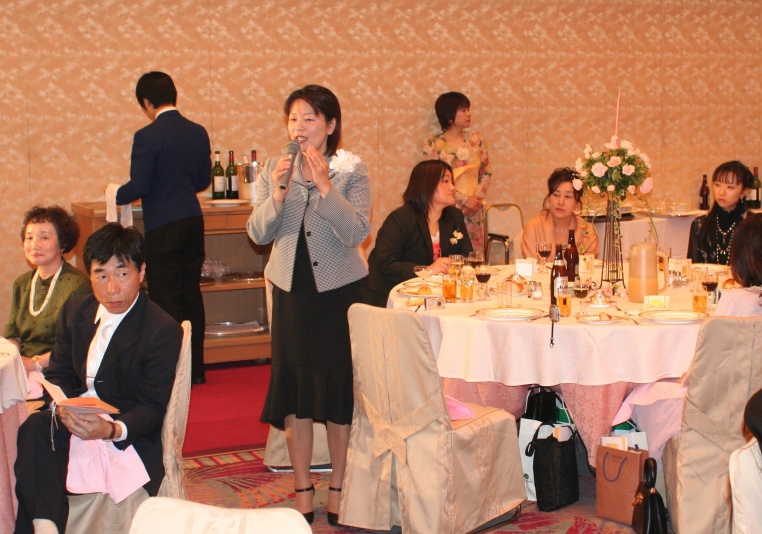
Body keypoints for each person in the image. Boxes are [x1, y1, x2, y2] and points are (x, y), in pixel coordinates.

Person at [246, 85, 370, 525]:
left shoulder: (351, 169)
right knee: (294, 392)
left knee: (337, 391)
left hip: (338, 294)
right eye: (293, 119)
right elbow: (257, 233)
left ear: (330, 125)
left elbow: (357, 232)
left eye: (309, 119)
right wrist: (278, 195)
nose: (299, 127)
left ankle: (338, 486)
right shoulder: (274, 169)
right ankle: (301, 487)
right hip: (291, 292)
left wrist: (324, 187)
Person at [14, 223, 183, 534]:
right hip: (75, 417)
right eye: (101, 275)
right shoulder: (75, 310)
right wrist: (63, 407)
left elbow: (153, 407)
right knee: (36, 426)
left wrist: (110, 429)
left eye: (122, 273)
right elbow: (59, 375)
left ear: (141, 272)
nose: (112, 288)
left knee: (38, 445)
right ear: (88, 275)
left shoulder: (160, 329)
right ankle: (45, 526)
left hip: (123, 432)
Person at [616, 213, 762, 465]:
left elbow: (708, 365)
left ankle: (648, 471)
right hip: (754, 397)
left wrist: (685, 376)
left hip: (722, 403)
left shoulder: (735, 300)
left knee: (645, 392)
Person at [115, 71, 211, 384]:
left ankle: (170, 372)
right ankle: (195, 370)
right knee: (190, 293)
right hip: (192, 220)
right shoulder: (197, 131)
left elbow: (139, 185)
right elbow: (203, 180)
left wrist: (113, 193)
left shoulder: (147, 136)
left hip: (163, 223)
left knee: (165, 296)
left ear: (146, 102)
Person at [364, 160, 474, 307]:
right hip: (391, 296)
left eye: (452, 182)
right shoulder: (401, 219)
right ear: (426, 185)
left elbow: (467, 255)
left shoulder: (454, 216)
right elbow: (386, 263)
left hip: (434, 294)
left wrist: (451, 264)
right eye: (445, 181)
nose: (453, 187)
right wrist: (428, 270)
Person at [4, 206, 90, 378]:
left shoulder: (78, 285)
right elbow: (13, 335)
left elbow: (77, 346)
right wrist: (11, 359)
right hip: (23, 367)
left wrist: (34, 363)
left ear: (63, 243)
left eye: (44, 237)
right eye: (29, 237)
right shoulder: (22, 283)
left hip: (59, 370)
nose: (35, 245)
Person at [423, 92, 492, 253]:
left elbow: (486, 173)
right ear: (449, 115)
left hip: (475, 209)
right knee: (451, 250)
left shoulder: (477, 139)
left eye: (468, 109)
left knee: (474, 253)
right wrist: (464, 200)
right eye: (463, 110)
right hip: (447, 207)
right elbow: (432, 179)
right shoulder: (433, 143)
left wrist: (475, 200)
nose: (468, 114)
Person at [521, 167, 598, 259]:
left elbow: (588, 265)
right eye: (556, 195)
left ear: (577, 203)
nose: (561, 202)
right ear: (549, 198)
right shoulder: (533, 228)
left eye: (568, 196)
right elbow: (532, 265)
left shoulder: (586, 230)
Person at [687, 160, 753, 265]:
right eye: (717, 185)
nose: (722, 192)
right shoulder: (700, 224)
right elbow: (692, 266)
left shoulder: (753, 225)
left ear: (744, 191)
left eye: (730, 187)